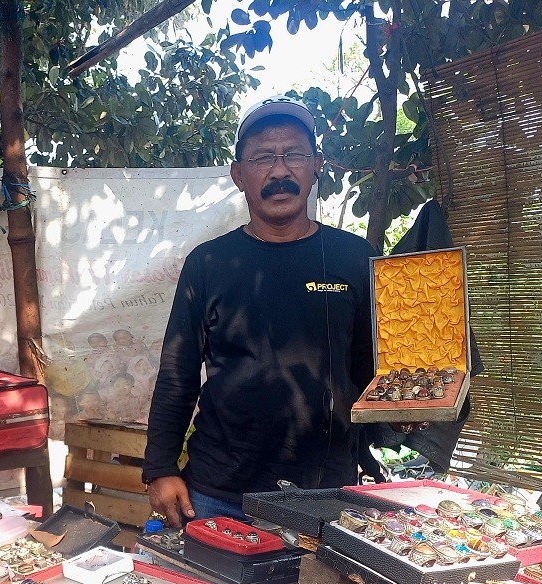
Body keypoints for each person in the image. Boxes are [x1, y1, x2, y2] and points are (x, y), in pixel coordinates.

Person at [142, 97, 376, 527]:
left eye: (295, 155)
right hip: (219, 493)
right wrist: (159, 467)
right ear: (239, 176)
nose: (280, 171)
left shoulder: (356, 259)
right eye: (263, 157)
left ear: (317, 165)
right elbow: (177, 374)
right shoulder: (209, 264)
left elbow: (371, 370)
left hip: (326, 495)